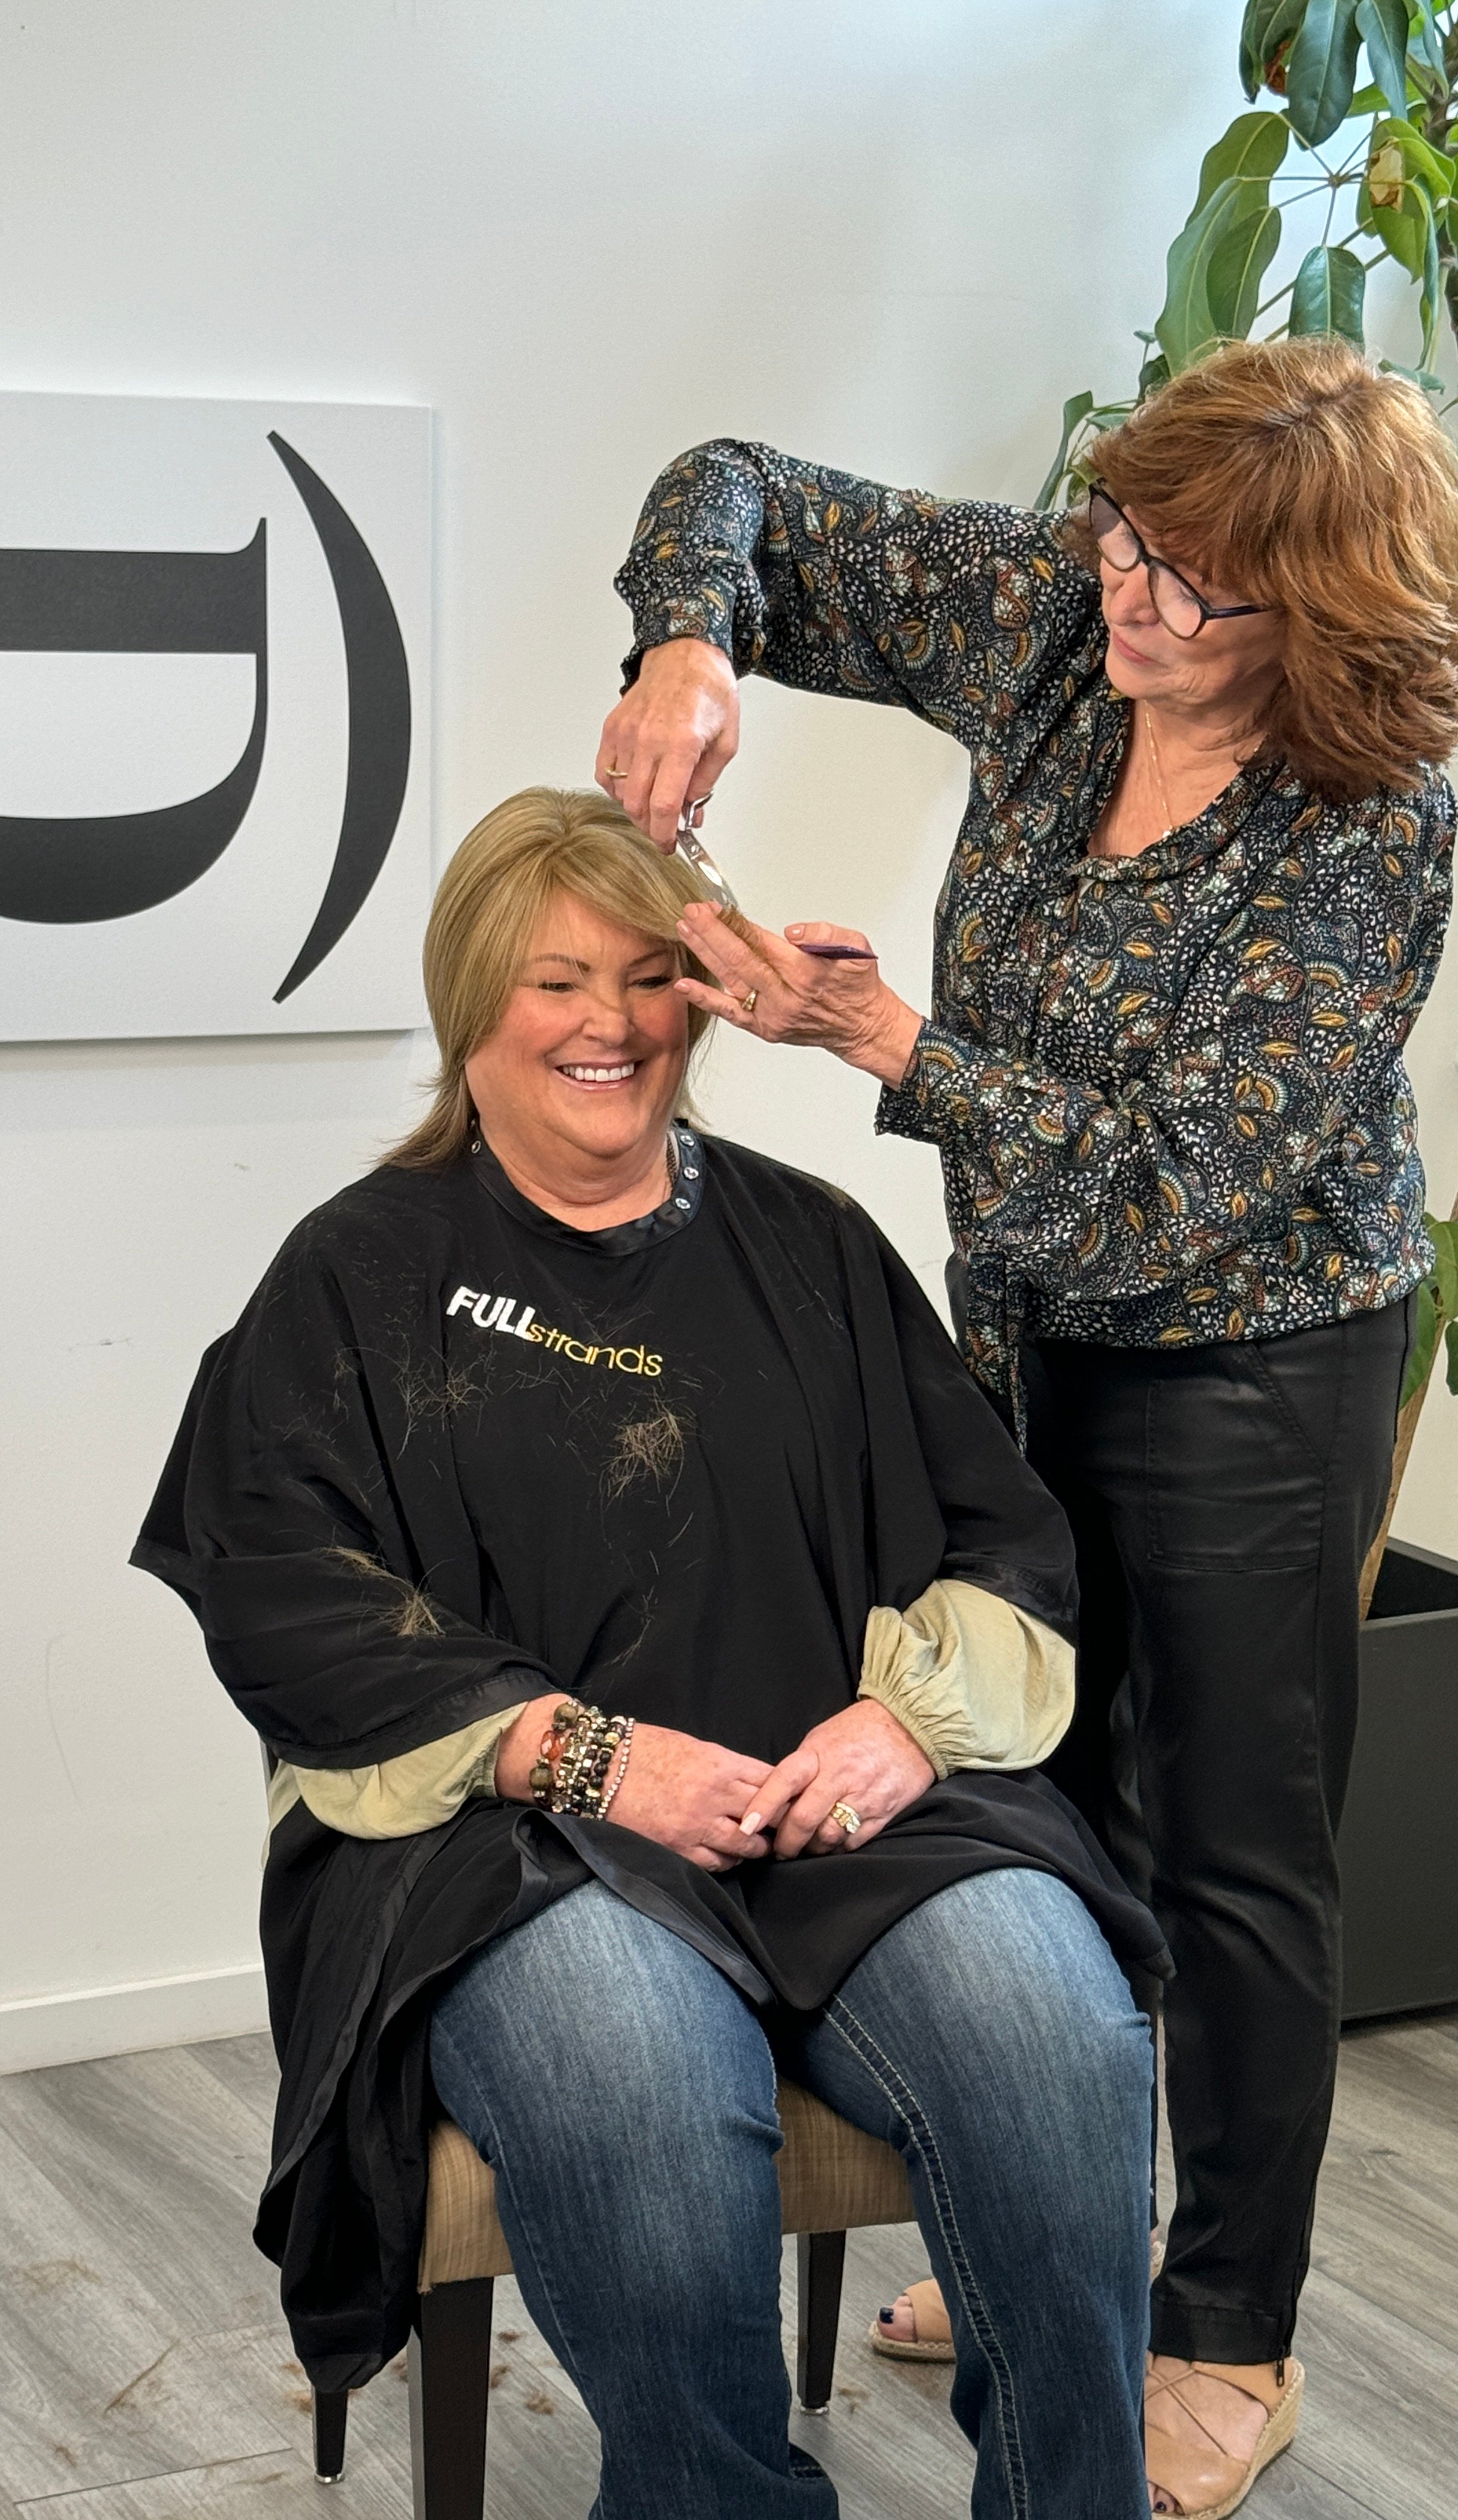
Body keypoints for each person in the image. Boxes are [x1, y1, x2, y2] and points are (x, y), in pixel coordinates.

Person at [596, 335, 1457, 2518]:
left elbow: (1179, 1188)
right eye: (1132, 539)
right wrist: (691, 640)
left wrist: (878, 1035)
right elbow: (747, 483)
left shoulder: (1377, 817)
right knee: (1025, 1777)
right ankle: (1048, 2253)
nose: (1142, 605)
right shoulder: (1064, 617)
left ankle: (1226, 2336)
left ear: (1333, 615)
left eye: (1209, 592)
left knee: (1234, 1853)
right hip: (1031, 1321)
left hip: (1258, 1354)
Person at [135, 787, 1169, 2520]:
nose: (606, 1024)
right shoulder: (357, 1278)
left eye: (643, 976)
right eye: (552, 982)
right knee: (645, 2095)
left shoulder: (811, 1247)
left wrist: (907, 1728)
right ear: (472, 1003)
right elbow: (285, 1590)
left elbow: (1003, 1530)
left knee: (1060, 2040)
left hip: (847, 1813)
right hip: (517, 1856)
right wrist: (593, 1755)